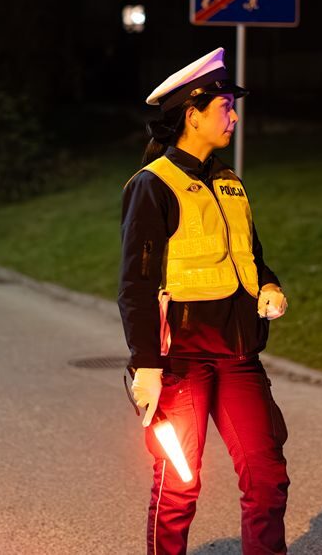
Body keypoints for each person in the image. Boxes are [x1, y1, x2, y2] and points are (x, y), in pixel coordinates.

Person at [118, 47, 291, 554]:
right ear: (192, 115)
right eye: (225, 108)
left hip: (239, 356)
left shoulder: (230, 184)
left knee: (267, 476)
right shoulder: (153, 185)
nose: (233, 117)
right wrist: (146, 364)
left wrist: (270, 286)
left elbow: (251, 257)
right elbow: (136, 284)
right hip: (180, 362)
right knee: (179, 483)